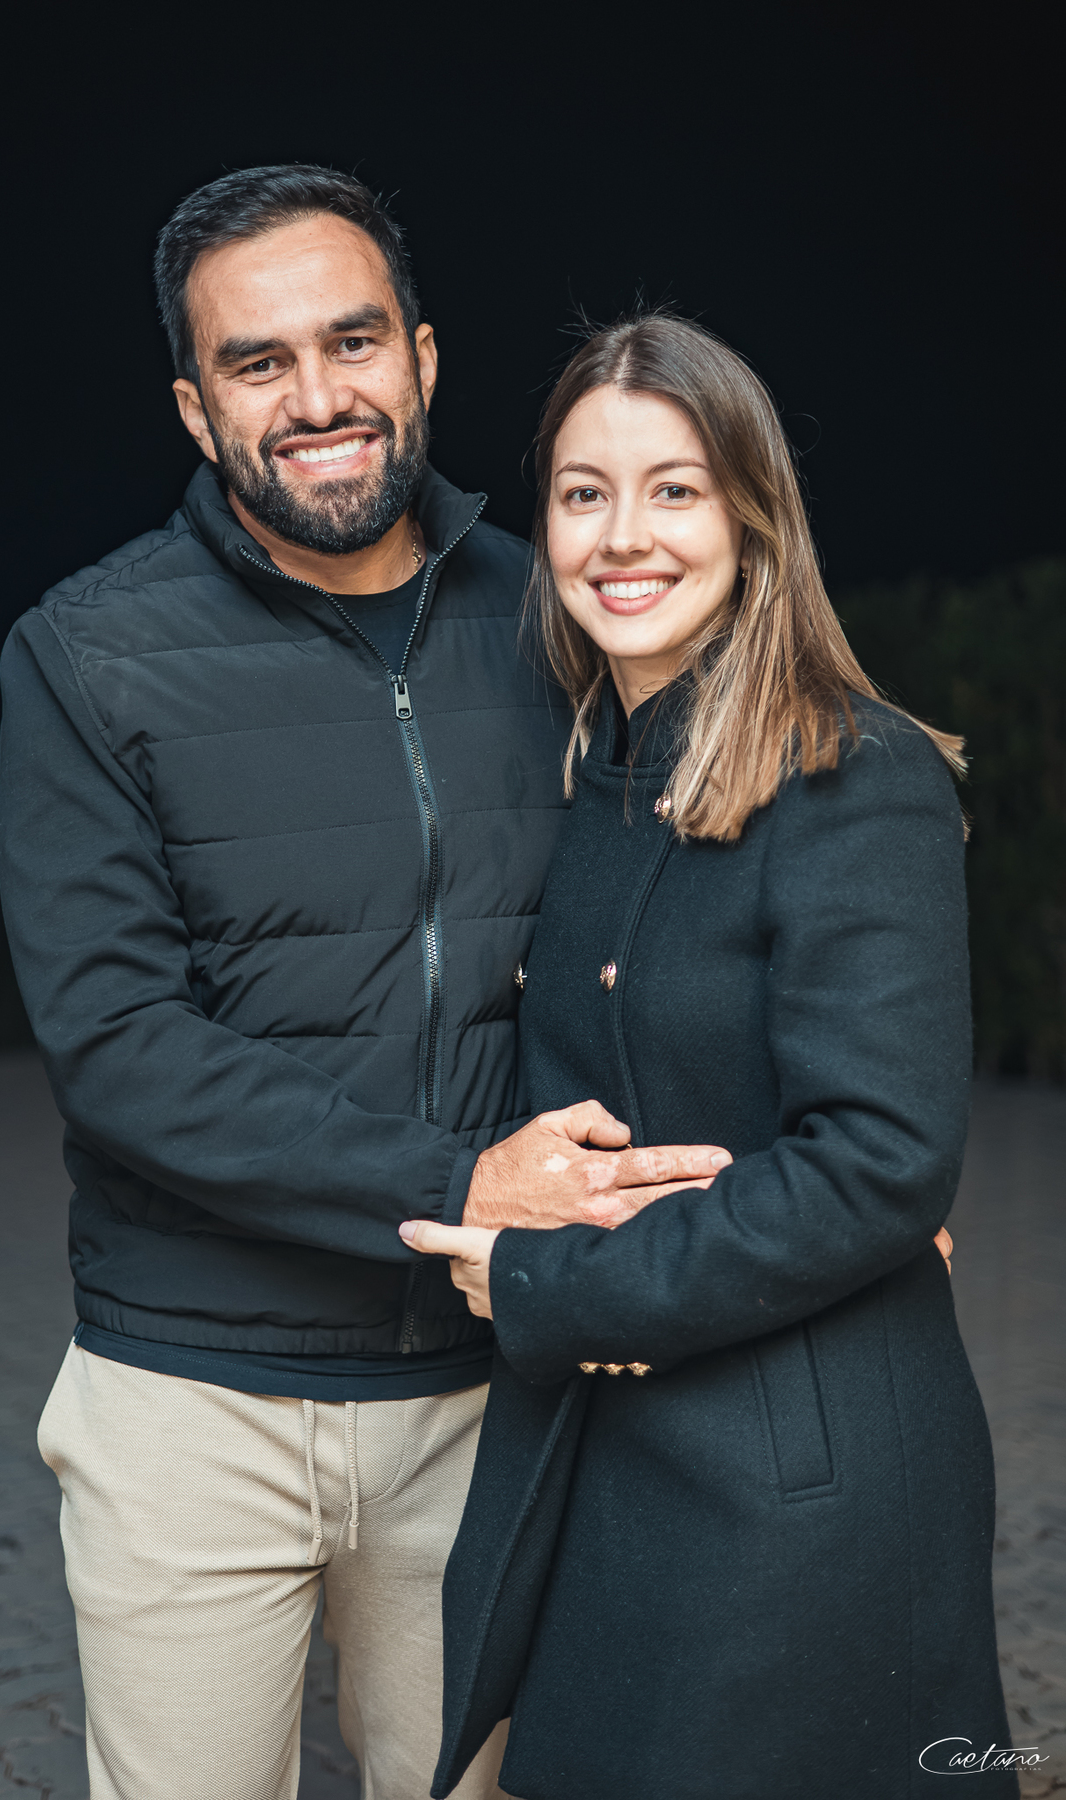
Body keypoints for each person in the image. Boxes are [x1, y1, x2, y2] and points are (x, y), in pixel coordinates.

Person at [0, 171, 727, 1800]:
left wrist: (821, 1164)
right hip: (192, 1398)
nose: (319, 396)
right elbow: (116, 1045)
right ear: (195, 410)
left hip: (492, 1384)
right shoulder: (87, 654)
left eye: (353, 341)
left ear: (423, 356)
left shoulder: (557, 616)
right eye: (257, 363)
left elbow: (682, 926)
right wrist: (462, 1183)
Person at [403, 313, 1011, 1800]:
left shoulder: (852, 772)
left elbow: (881, 1162)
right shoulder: (593, 775)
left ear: (752, 514)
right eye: (583, 492)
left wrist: (556, 1282)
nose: (624, 535)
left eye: (673, 489)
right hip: (614, 1450)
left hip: (796, 1477)